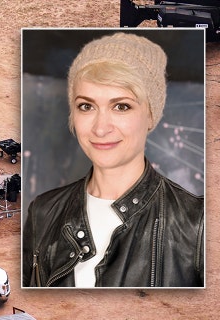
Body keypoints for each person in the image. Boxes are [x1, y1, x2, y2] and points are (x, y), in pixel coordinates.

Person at [22, 32, 204, 287]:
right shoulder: (42, 211)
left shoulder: (198, 223)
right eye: (86, 106)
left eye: (121, 106)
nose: (100, 128)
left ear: (151, 115)